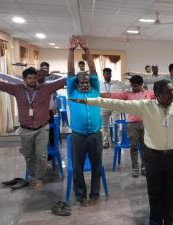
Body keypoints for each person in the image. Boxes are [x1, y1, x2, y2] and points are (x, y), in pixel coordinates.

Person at [70, 79, 173, 225]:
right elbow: (115, 103)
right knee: (155, 190)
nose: (172, 95)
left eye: (172, 92)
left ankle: (170, 217)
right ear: (157, 94)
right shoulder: (145, 106)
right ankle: (156, 219)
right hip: (153, 157)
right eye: (168, 92)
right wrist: (88, 101)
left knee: (172, 189)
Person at [0, 67, 66, 190]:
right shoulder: (17, 89)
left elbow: (64, 81)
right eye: (30, 78)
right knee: (29, 156)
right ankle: (32, 176)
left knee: (42, 156)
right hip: (25, 129)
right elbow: (0, 84)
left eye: (35, 78)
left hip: (42, 128)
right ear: (24, 79)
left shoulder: (46, 88)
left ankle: (39, 178)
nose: (33, 80)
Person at [67, 36, 103, 206]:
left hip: (95, 135)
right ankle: (80, 196)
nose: (83, 81)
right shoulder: (72, 93)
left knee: (97, 167)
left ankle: (95, 194)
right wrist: (71, 51)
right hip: (78, 136)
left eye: (86, 79)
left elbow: (93, 70)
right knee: (77, 168)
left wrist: (87, 51)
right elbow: (70, 72)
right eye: (79, 80)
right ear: (75, 83)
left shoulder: (95, 90)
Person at [101, 75, 154, 177]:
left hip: (146, 124)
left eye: (135, 86)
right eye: (132, 86)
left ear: (141, 84)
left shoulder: (149, 93)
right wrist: (98, 94)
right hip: (132, 125)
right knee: (133, 147)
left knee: (145, 147)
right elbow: (113, 95)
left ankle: (144, 167)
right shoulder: (127, 94)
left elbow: (161, 96)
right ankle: (135, 168)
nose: (133, 88)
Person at [100, 67, 127, 148]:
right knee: (104, 125)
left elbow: (127, 85)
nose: (108, 75)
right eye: (106, 73)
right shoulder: (100, 84)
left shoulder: (117, 83)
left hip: (115, 105)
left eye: (109, 73)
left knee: (116, 123)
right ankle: (105, 142)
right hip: (104, 106)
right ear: (103, 75)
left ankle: (116, 140)